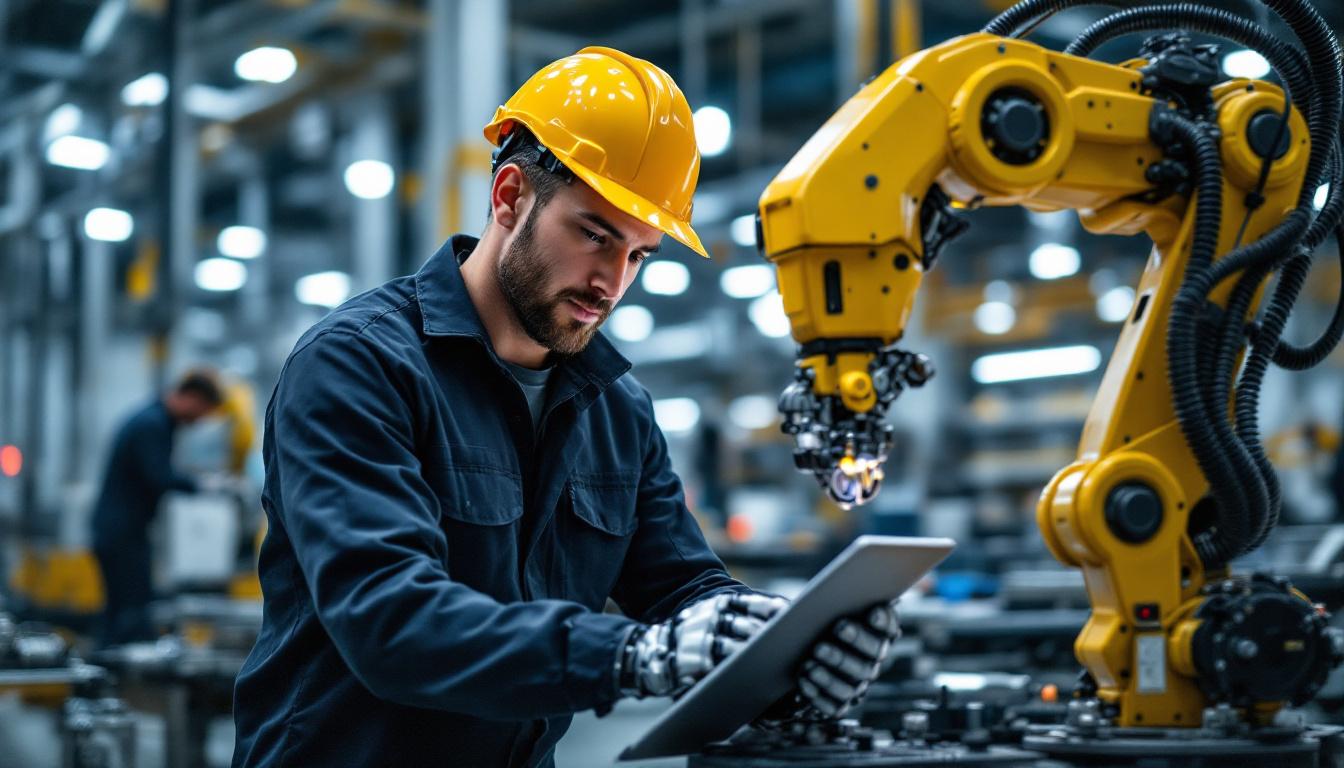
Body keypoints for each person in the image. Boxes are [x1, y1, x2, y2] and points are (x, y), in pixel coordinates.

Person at [232, 47, 897, 768]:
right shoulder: (357, 365)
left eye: (638, 254)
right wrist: (631, 656)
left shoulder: (617, 407)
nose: (612, 283)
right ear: (510, 195)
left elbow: (680, 585)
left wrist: (782, 645)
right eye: (594, 234)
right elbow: (389, 620)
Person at [91, 368, 224, 648]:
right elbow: (159, 475)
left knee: (123, 609)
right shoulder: (152, 424)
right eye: (202, 411)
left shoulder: (155, 419)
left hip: (121, 528)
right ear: (191, 397)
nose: (199, 420)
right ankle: (118, 666)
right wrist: (204, 485)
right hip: (122, 531)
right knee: (130, 610)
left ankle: (110, 662)